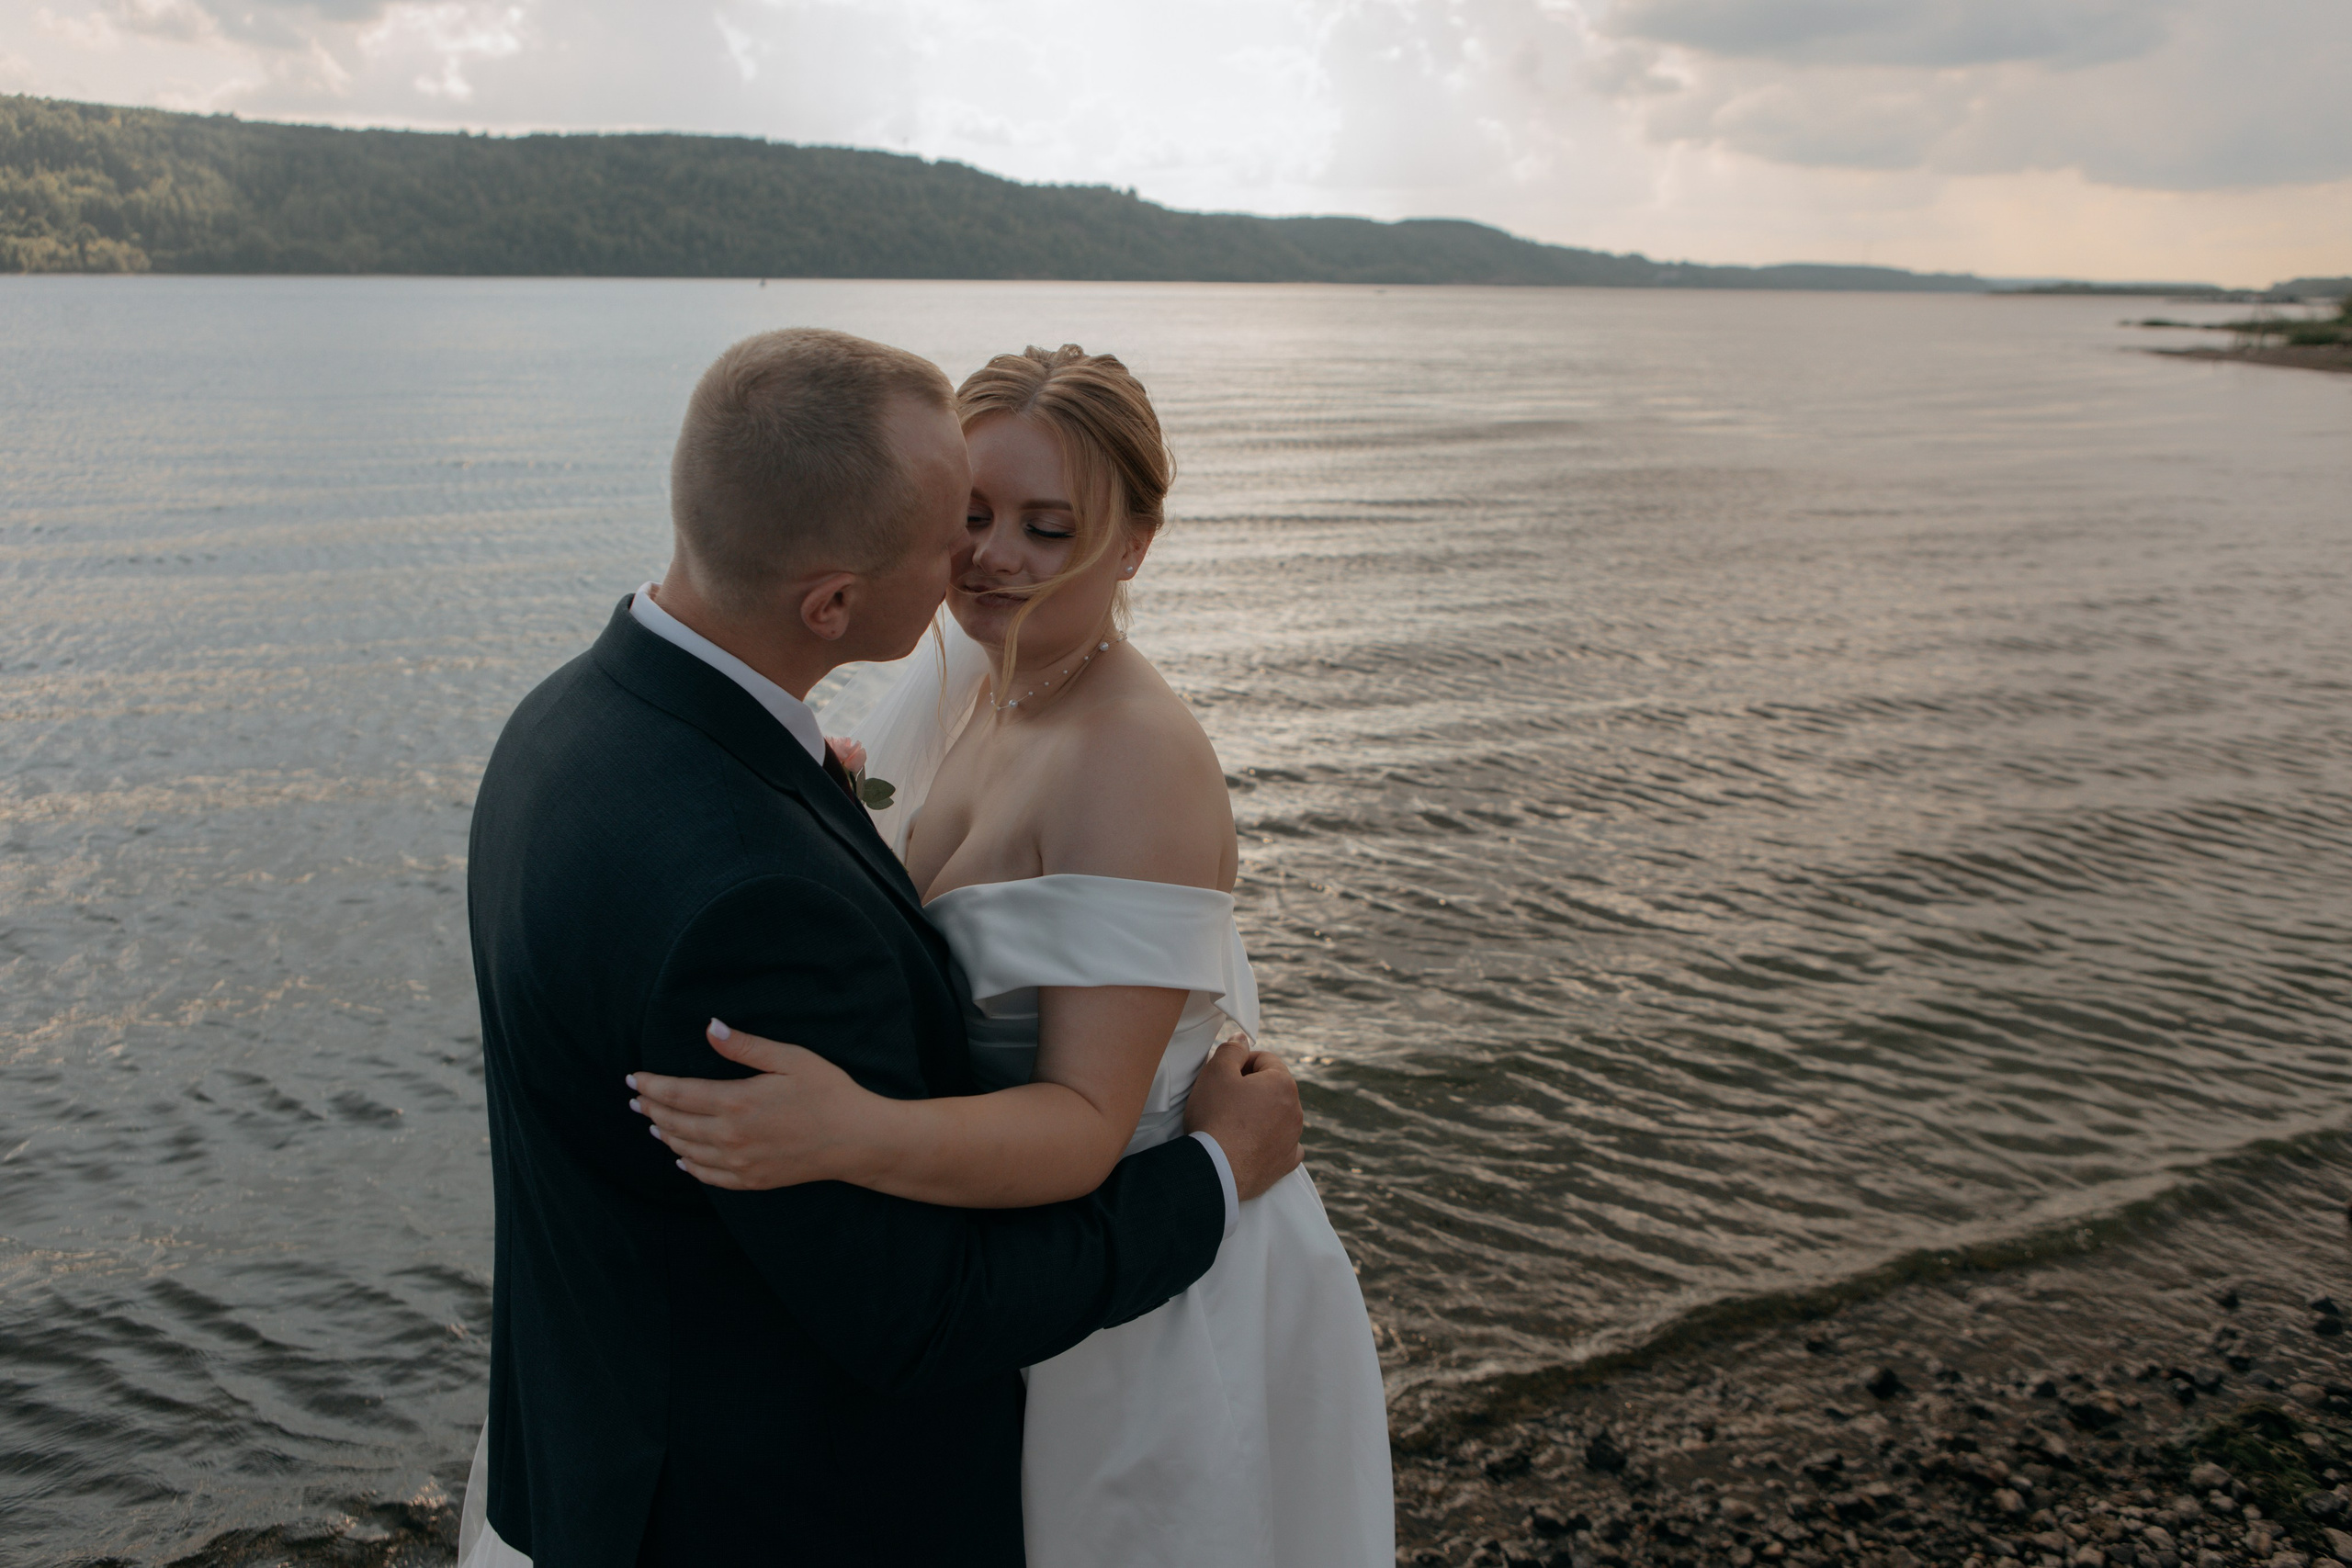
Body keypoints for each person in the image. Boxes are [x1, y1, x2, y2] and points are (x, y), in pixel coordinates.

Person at [457, 329, 1306, 1568]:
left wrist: (1214, 1174)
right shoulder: (882, 755)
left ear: (1132, 544)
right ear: (832, 601)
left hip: (1086, 1315)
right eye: (959, 517)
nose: (976, 558)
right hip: (753, 1466)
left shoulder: (569, 721)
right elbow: (909, 1308)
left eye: (1044, 528)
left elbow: (1058, 1103)